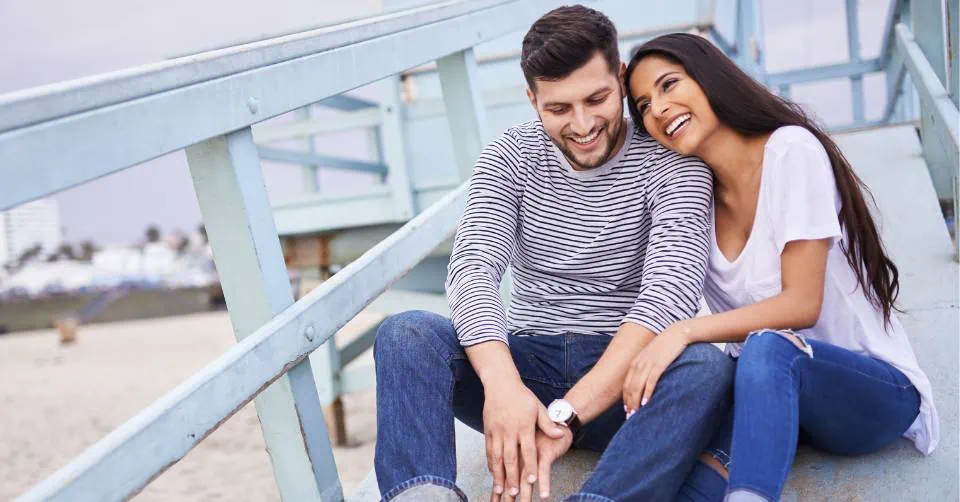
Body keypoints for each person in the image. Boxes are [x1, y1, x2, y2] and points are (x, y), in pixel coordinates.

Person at [373, 6, 734, 502]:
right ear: (531, 99)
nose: (582, 124)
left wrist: (568, 413)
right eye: (559, 109)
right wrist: (503, 389)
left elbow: (668, 295)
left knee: (705, 368)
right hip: (526, 366)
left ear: (621, 78)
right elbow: (473, 269)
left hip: (626, 379)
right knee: (407, 334)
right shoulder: (510, 155)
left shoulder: (674, 163)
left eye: (597, 98)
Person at [623, 33, 940, 502]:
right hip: (775, 398)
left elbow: (801, 303)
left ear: (709, 78)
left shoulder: (790, 150)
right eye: (644, 105)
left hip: (870, 396)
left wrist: (684, 332)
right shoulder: (694, 204)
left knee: (769, 347)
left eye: (670, 85)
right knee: (688, 487)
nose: (659, 110)